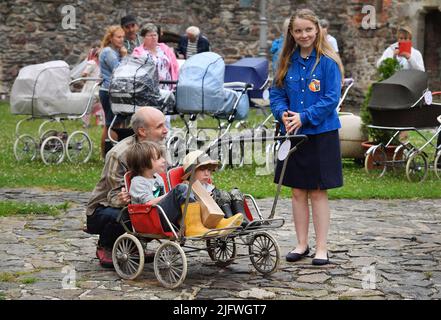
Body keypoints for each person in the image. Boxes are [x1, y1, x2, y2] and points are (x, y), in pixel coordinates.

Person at [270, 9, 344, 266]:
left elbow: (331, 99)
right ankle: (301, 244)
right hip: (291, 133)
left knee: (317, 192)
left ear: (318, 30)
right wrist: (283, 115)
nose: (304, 35)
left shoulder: (327, 62)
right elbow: (276, 94)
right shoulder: (285, 61)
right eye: (298, 30)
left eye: (308, 30)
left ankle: (321, 247)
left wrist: (304, 116)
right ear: (291, 33)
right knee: (298, 192)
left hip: (320, 133)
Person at [85, 107, 168, 268]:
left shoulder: (160, 147)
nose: (165, 130)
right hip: (104, 207)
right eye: (159, 126)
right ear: (142, 131)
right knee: (127, 214)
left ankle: (133, 246)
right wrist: (125, 198)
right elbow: (113, 194)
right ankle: (106, 245)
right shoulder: (120, 154)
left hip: (146, 198)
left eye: (165, 125)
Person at [127, 142, 243, 237]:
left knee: (188, 194)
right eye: (158, 158)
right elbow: (148, 204)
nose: (163, 160)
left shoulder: (157, 178)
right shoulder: (138, 182)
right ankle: (194, 226)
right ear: (143, 164)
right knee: (182, 188)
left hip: (164, 217)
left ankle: (218, 222)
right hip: (151, 219)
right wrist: (170, 194)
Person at [181, 150, 250, 227]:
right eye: (202, 170)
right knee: (220, 194)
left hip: (219, 212)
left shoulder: (209, 186)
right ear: (192, 172)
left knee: (235, 192)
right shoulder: (187, 188)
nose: (207, 174)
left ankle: (244, 220)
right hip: (207, 218)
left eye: (209, 170)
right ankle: (230, 220)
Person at [132, 23, 179, 129]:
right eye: (150, 35)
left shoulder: (165, 49)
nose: (153, 38)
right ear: (143, 37)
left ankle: (165, 137)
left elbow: (174, 66)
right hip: (148, 89)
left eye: (155, 35)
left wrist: (175, 82)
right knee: (151, 116)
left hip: (166, 86)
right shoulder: (138, 52)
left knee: (165, 116)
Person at [98, 25, 128, 159]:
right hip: (110, 91)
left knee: (113, 123)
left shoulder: (113, 52)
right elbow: (119, 70)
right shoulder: (109, 52)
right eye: (118, 37)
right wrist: (125, 56)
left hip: (113, 90)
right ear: (111, 38)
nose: (121, 40)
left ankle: (110, 153)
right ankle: (108, 154)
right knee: (112, 123)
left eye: (123, 37)